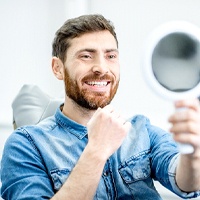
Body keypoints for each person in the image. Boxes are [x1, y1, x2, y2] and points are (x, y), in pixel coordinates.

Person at [1, 14, 200, 200]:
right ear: (58, 68)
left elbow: (186, 182)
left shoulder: (142, 130)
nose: (102, 68)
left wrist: (192, 152)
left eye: (110, 56)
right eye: (86, 56)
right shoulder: (26, 144)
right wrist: (97, 150)